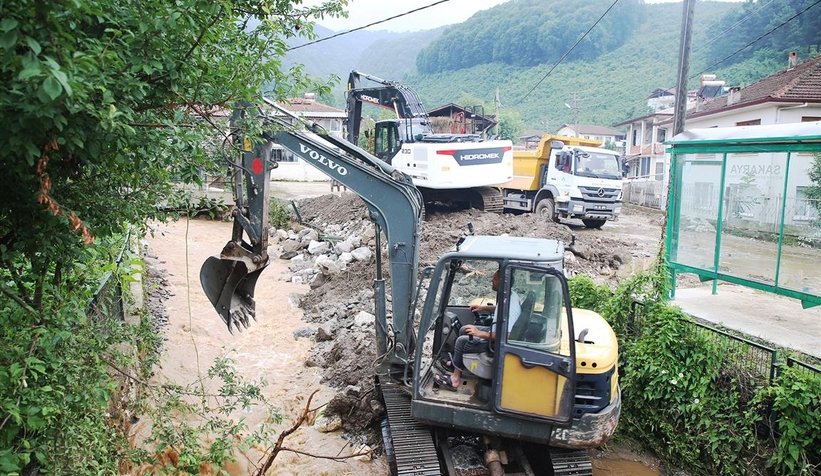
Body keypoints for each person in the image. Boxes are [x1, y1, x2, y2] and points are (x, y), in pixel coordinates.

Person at [435, 270, 521, 391]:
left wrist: (479, 333)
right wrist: (483, 308)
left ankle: (455, 380)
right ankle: (456, 364)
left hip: (496, 344)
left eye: (495, 279)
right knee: (465, 329)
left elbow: (506, 335)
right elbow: (499, 309)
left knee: (461, 341)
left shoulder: (511, 305)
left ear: (502, 281)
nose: (492, 281)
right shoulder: (509, 295)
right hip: (494, 331)